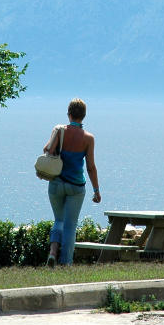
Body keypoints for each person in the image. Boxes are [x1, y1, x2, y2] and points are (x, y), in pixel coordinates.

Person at [44, 98, 100, 267]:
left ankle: (53, 252)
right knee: (70, 225)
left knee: (59, 220)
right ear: (83, 116)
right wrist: (96, 190)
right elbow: (91, 167)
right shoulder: (88, 138)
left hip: (56, 183)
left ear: (68, 114)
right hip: (76, 186)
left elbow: (47, 150)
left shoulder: (59, 130)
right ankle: (66, 263)